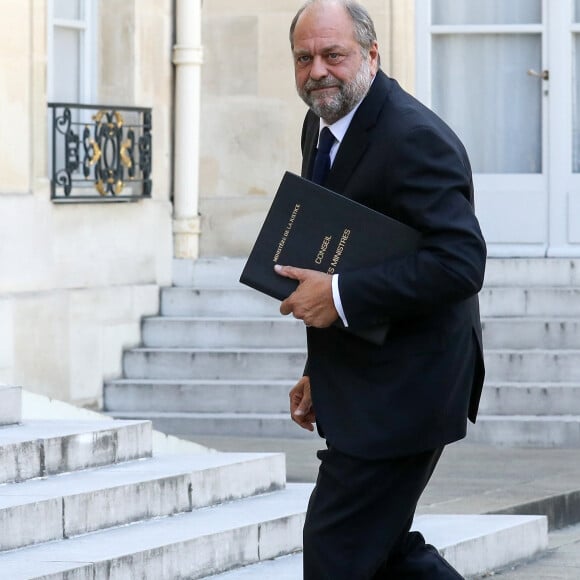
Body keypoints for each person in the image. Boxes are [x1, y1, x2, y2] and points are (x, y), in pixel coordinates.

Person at [273, 1, 486, 578]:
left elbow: (460, 261)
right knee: (385, 554)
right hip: (365, 381)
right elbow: (341, 247)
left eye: (333, 54)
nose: (317, 70)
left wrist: (339, 296)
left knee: (336, 552)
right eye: (304, 57)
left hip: (408, 390)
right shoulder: (319, 124)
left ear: (371, 54)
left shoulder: (415, 137)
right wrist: (325, 370)